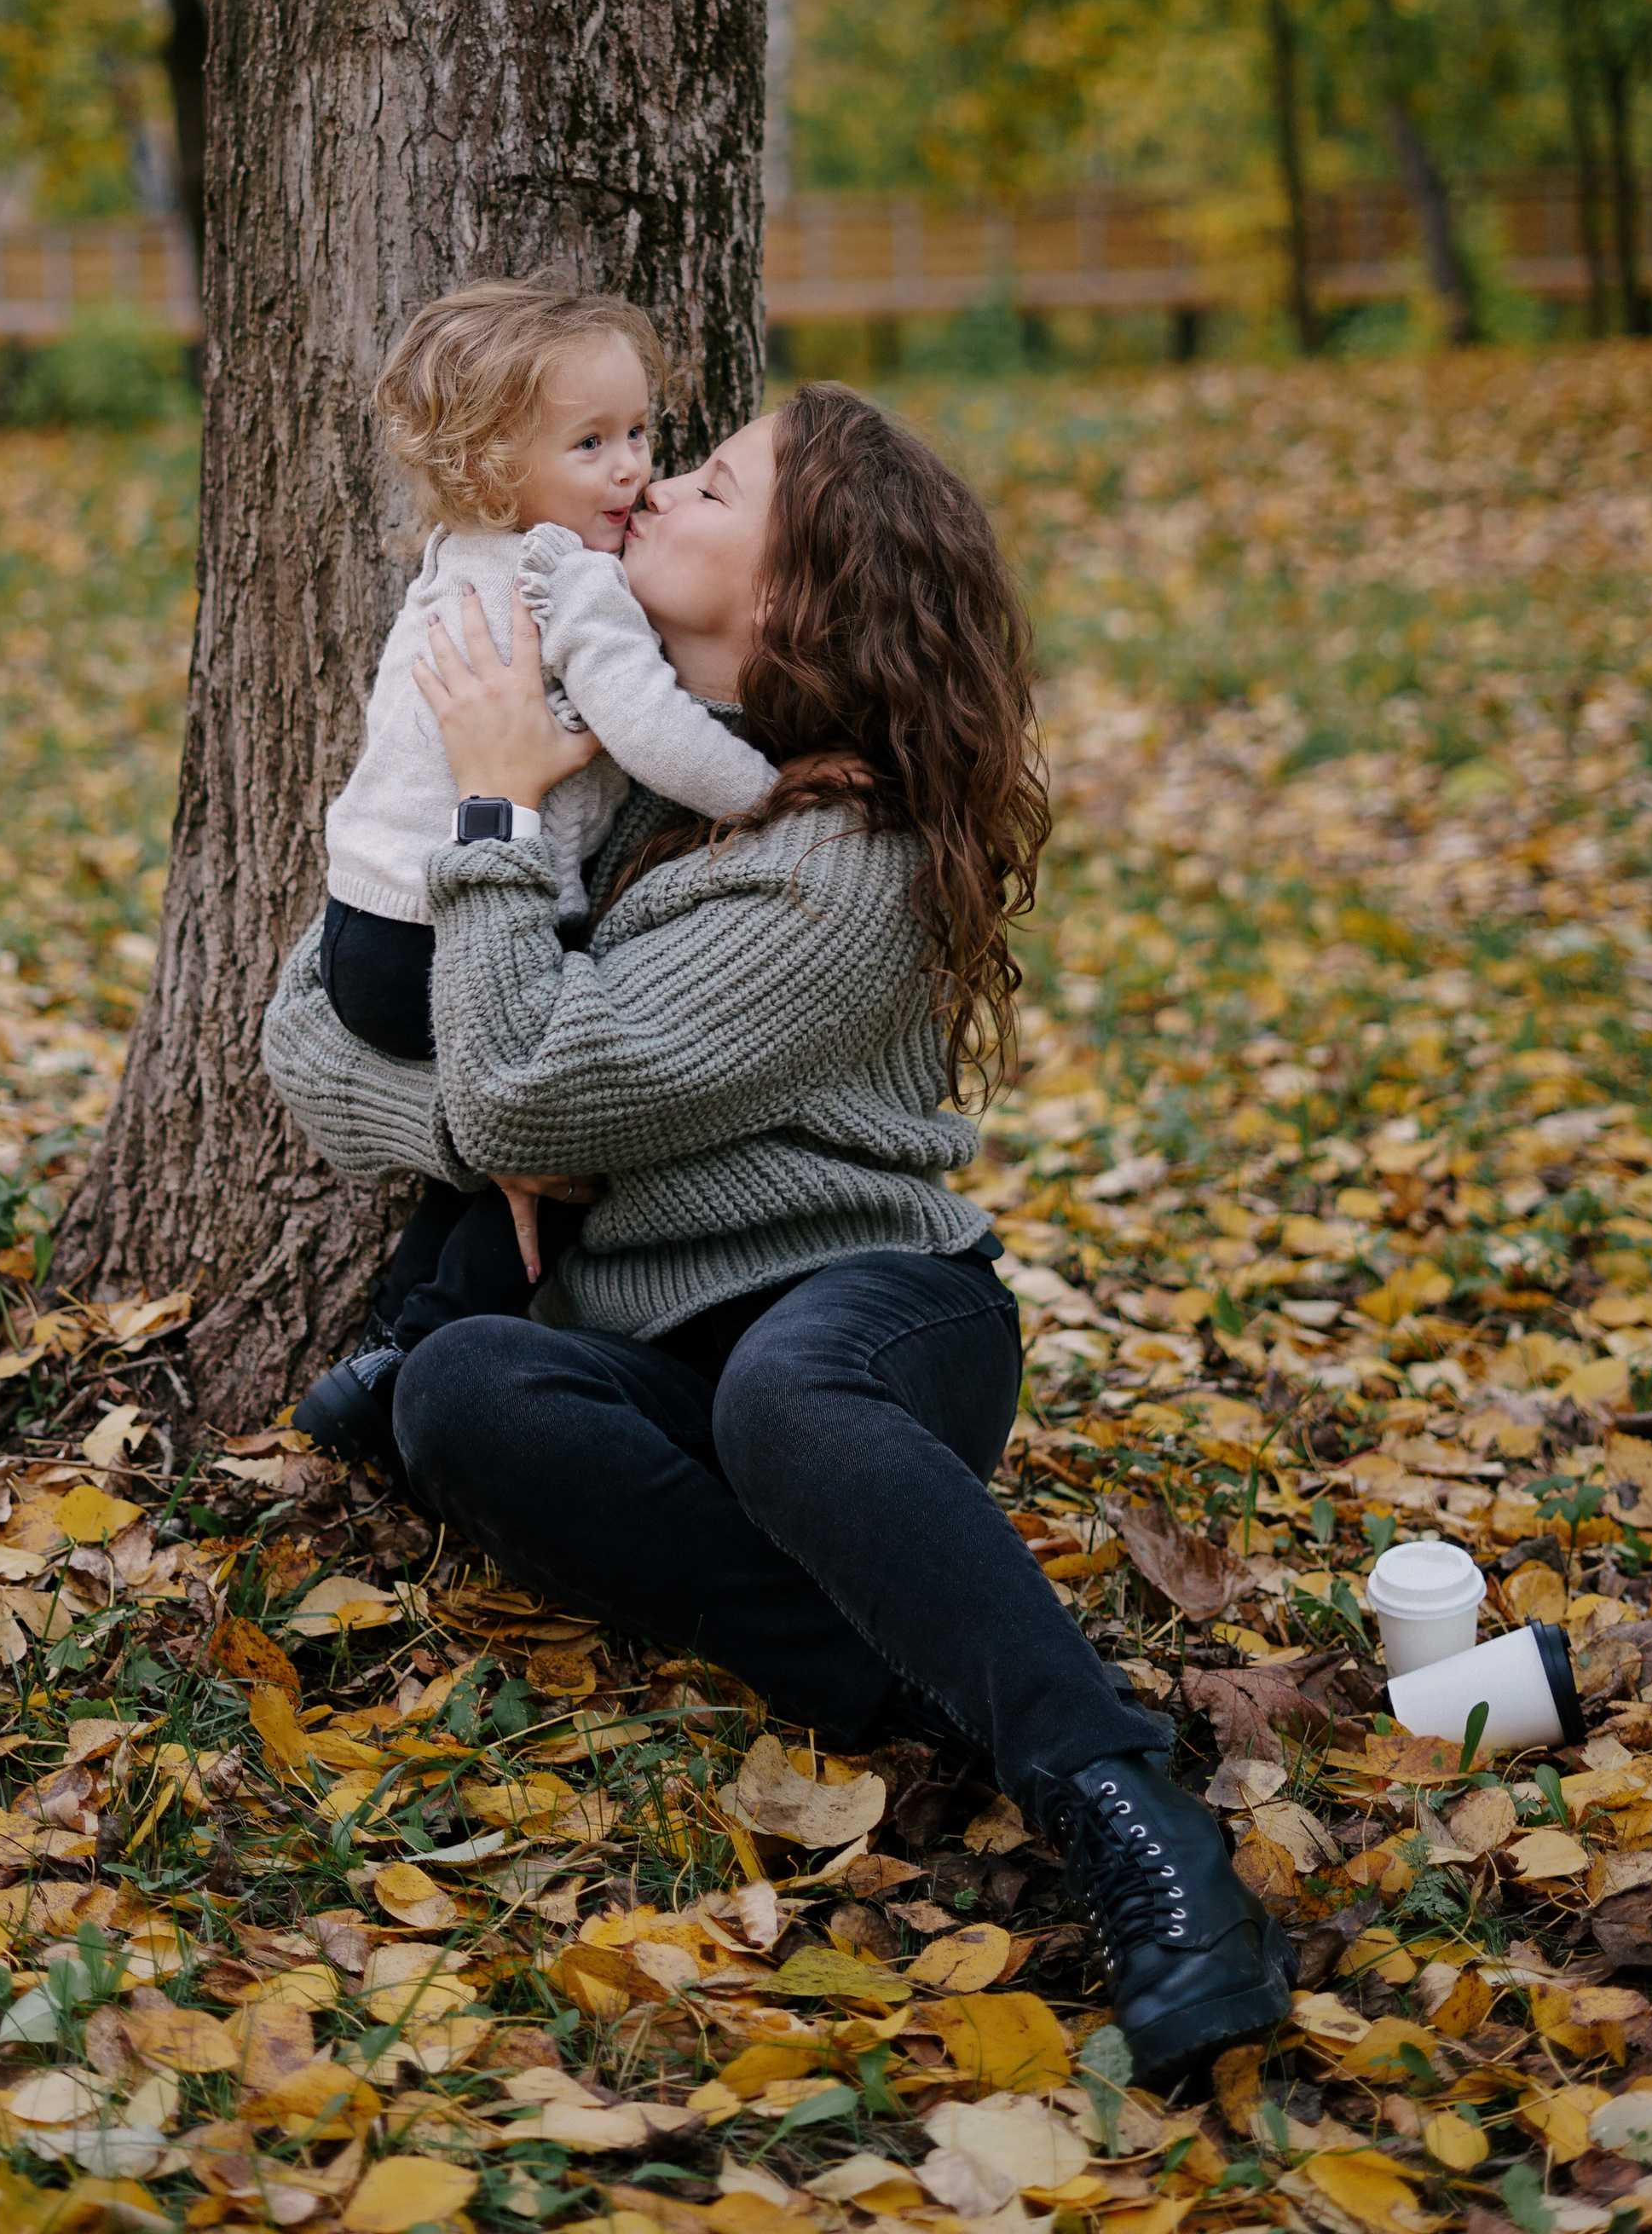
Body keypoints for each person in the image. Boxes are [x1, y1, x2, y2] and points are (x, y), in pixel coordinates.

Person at [263, 382, 1293, 2082]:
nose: (656, 486)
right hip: (647, 1355)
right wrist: (506, 1112)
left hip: (872, 1314)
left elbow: (524, 1098)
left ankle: (1140, 1831)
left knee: (786, 1395)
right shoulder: (624, 764)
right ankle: (916, 1670)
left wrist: (496, 831)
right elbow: (309, 1032)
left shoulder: (845, 862)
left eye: (714, 480)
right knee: (458, 1395)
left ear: (802, 586)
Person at [302, 279, 775, 1448]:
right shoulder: (570, 582)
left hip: (364, 923)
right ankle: (423, 1353)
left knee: (492, 1170)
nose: (634, 471)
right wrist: (766, 796)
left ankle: (383, 1354)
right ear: (491, 465)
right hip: (448, 925)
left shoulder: (453, 561)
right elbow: (655, 728)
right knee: (566, 1146)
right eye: (591, 443)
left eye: (640, 434)